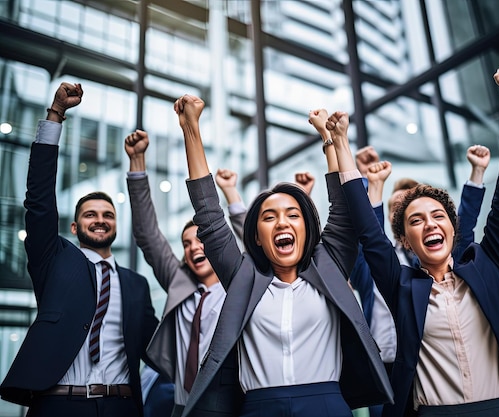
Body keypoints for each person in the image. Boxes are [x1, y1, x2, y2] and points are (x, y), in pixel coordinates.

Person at [337, 66, 499, 416]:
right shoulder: (400, 285)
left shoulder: (486, 265)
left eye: (438, 216)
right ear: (404, 239)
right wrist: (342, 143)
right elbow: (368, 231)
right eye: (415, 221)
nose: (429, 225)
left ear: (453, 228)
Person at [175, 98, 392, 417]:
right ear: (257, 238)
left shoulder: (328, 265)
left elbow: (344, 211)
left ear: (307, 229)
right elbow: (208, 216)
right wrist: (191, 127)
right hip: (259, 409)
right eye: (269, 217)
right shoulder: (242, 277)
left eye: (293, 214)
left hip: (327, 405)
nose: (282, 223)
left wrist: (328, 140)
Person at [0, 82, 159, 417]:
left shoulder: (136, 285)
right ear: (74, 228)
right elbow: (39, 200)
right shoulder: (54, 259)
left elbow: (160, 349)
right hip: (59, 405)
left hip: (122, 406)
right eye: (90, 215)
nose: (100, 221)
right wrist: (56, 115)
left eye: (108, 215)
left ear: (115, 225)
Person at [349, 144, 491, 417]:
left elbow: (463, 227)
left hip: (432, 365)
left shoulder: (436, 259)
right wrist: (368, 181)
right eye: (395, 208)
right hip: (384, 369)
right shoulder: (372, 264)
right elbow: (368, 234)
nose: (399, 212)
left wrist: (476, 174)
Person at [124, 130, 246, 417]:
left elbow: (257, 249)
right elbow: (148, 235)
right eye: (187, 244)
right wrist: (137, 162)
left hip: (229, 406)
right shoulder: (180, 282)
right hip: (182, 407)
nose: (194, 248)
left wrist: (231, 195)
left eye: (201, 240)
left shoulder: (240, 284)